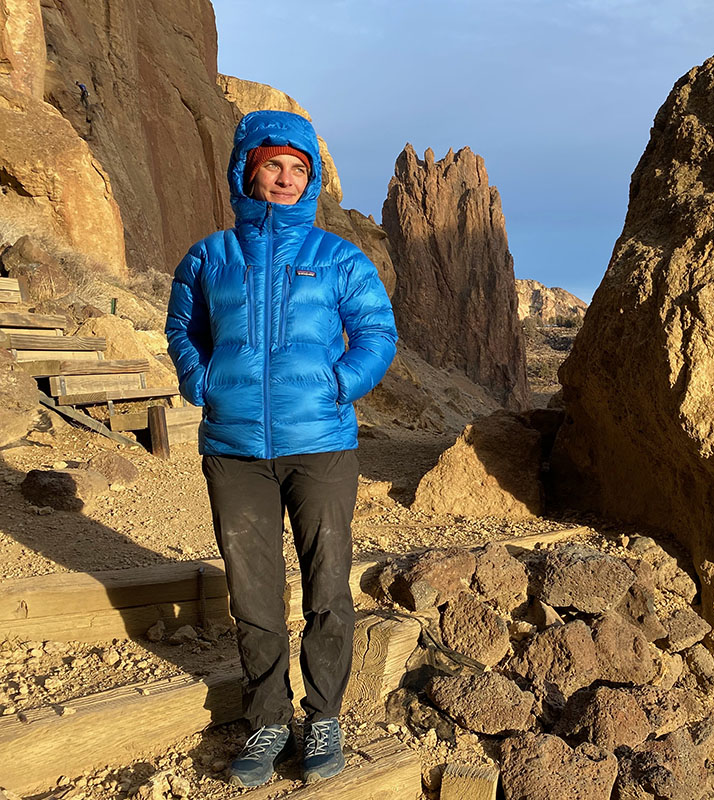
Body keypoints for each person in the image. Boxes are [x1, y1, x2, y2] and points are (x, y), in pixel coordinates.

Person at [165, 110, 397, 787]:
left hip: (320, 446)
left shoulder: (337, 258)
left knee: (327, 587)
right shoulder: (211, 256)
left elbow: (376, 333)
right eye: (275, 166)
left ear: (311, 179)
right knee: (254, 595)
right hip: (234, 450)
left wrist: (339, 382)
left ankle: (323, 716)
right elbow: (184, 324)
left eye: (299, 170)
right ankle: (268, 718)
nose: (286, 179)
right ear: (249, 170)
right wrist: (198, 377)